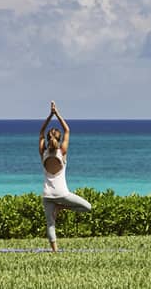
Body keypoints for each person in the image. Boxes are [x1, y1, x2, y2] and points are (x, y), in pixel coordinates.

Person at [39, 101, 92, 252]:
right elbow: (67, 130)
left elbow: (41, 132)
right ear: (59, 138)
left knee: (50, 224)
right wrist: (57, 114)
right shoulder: (62, 151)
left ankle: (55, 252)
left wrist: (50, 115)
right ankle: (61, 207)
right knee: (87, 207)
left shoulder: (43, 153)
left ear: (48, 139)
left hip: (47, 195)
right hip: (62, 193)